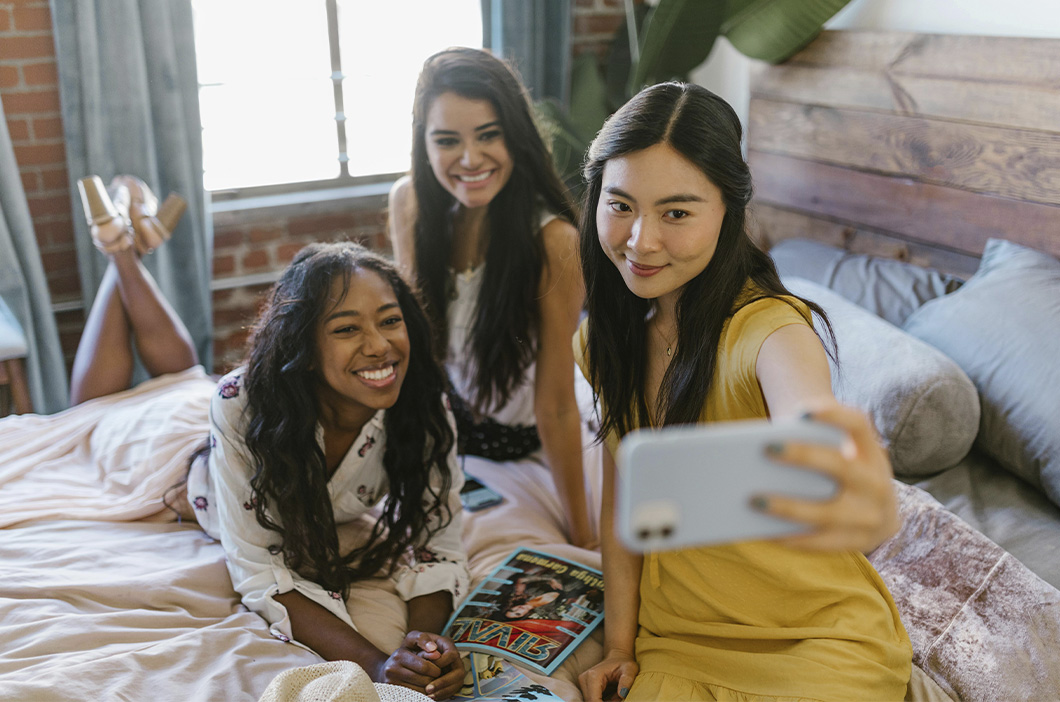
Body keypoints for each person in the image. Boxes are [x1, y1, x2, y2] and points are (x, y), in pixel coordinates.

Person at [574, 83, 912, 701]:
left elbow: (809, 417)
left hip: (817, 639)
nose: (641, 240)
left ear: (729, 211)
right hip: (679, 638)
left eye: (677, 213)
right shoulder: (605, 340)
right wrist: (621, 645)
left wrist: (826, 459)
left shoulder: (770, 328)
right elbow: (623, 505)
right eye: (620, 205)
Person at [184, 242, 470, 700]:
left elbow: (440, 544)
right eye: (346, 328)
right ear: (305, 345)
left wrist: (422, 650)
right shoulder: (241, 404)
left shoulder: (422, 405)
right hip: (201, 479)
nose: (380, 346)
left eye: (390, 320)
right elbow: (258, 570)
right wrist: (377, 665)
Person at [387, 47, 594, 549]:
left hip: (530, 445)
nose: (470, 159)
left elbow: (556, 407)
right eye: (447, 141)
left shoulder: (555, 242)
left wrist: (584, 536)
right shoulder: (409, 203)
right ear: (425, 143)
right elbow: (416, 349)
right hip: (447, 426)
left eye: (488, 135)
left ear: (515, 137)